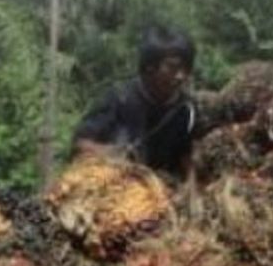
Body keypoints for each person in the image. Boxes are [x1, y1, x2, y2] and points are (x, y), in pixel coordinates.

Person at [73, 27, 198, 181]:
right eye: (172, 68)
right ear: (149, 67)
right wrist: (112, 153)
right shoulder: (120, 98)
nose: (181, 76)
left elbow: (186, 158)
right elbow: (81, 143)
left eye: (186, 69)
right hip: (112, 187)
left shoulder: (185, 110)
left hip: (158, 195)